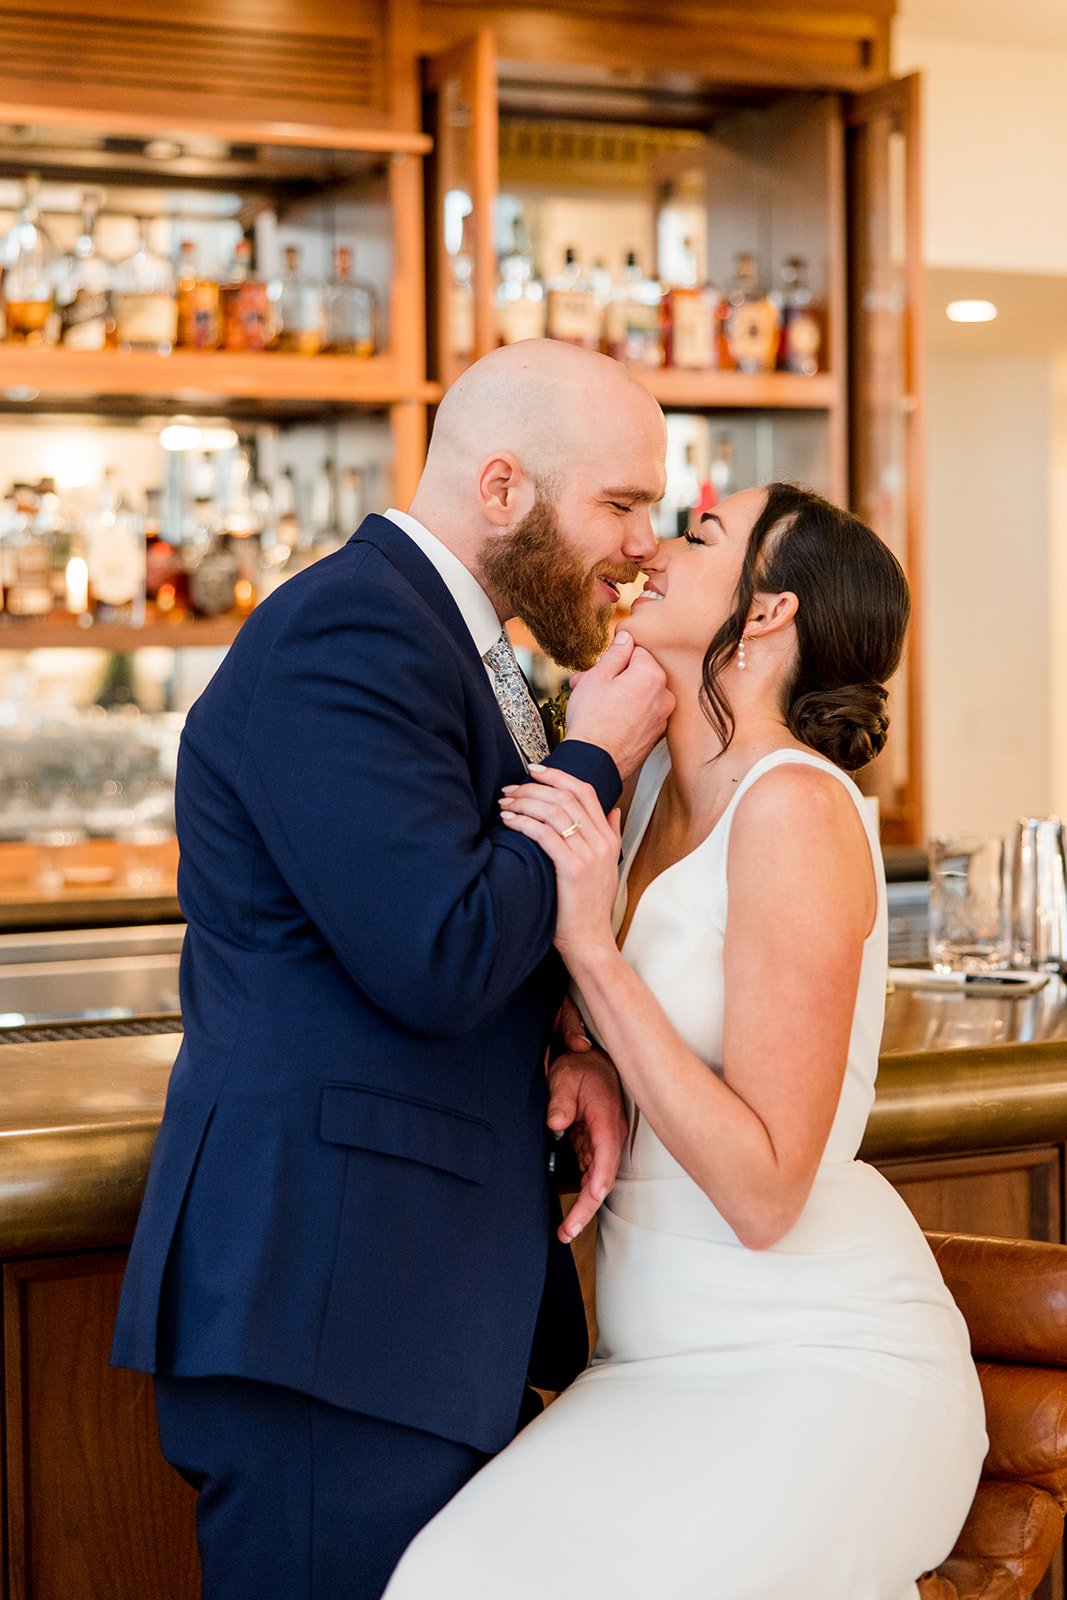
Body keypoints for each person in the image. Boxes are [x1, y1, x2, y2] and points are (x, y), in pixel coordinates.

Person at [110, 339, 675, 1600]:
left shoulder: (448, 639)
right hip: (331, 1306)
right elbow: (439, 948)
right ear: (500, 488)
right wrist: (596, 761)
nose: (644, 542)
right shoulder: (349, 629)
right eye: (620, 503)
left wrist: (562, 1050)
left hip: (394, 1309)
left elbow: (444, 923)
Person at [384, 483, 988, 1600]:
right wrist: (583, 1054)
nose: (652, 546)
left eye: (700, 535)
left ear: (766, 615)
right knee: (441, 1580)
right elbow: (624, 1031)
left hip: (813, 1362)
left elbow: (763, 1193)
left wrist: (593, 957)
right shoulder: (650, 777)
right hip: (645, 1364)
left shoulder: (794, 808)